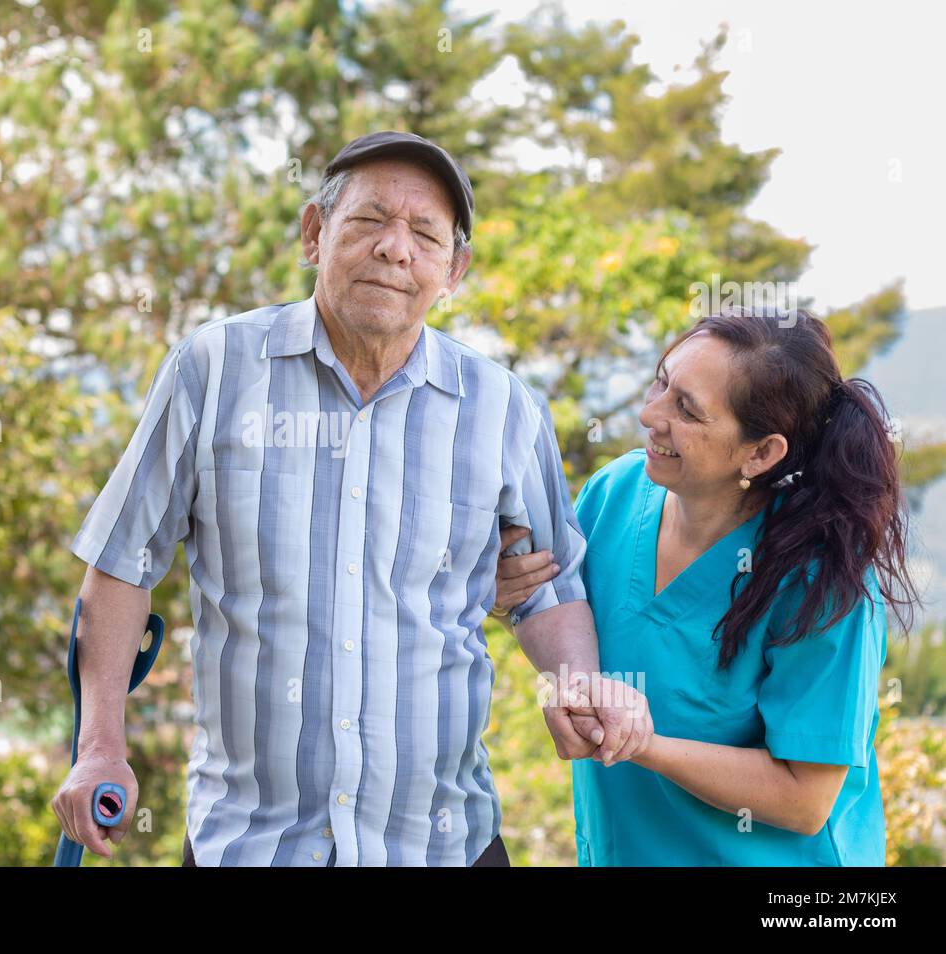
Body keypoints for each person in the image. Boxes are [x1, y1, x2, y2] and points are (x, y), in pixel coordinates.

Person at [50, 130, 650, 866]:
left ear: (453, 269)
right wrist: (100, 746)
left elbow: (548, 590)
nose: (395, 249)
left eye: (425, 234)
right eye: (369, 221)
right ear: (314, 233)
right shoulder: (213, 370)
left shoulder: (502, 407)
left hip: (443, 843)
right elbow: (122, 564)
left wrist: (577, 682)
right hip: (251, 844)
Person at [506, 308, 919, 865]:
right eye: (661, 382)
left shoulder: (822, 579)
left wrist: (642, 744)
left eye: (688, 411)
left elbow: (805, 797)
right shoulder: (615, 491)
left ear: (761, 453)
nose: (650, 414)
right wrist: (513, 601)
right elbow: (556, 614)